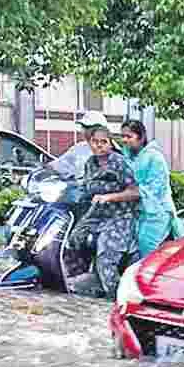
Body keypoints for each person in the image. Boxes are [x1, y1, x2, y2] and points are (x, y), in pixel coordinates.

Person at [69, 126, 141, 299]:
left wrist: (110, 197)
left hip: (120, 216)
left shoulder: (119, 162)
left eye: (104, 142)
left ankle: (117, 296)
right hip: (97, 214)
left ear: (110, 144)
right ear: (89, 142)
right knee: (73, 239)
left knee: (106, 256)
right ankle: (88, 280)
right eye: (95, 141)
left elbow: (135, 192)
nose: (99, 145)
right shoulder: (90, 164)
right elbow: (86, 188)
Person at [120, 119, 176, 258]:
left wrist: (116, 196)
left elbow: (151, 191)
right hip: (139, 213)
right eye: (123, 136)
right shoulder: (128, 155)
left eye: (129, 136)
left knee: (148, 252)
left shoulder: (154, 158)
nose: (125, 140)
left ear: (141, 137)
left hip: (157, 212)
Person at [49, 110, 109, 179]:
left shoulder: (112, 153)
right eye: (83, 127)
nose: (83, 130)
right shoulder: (79, 148)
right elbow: (57, 165)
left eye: (87, 127)